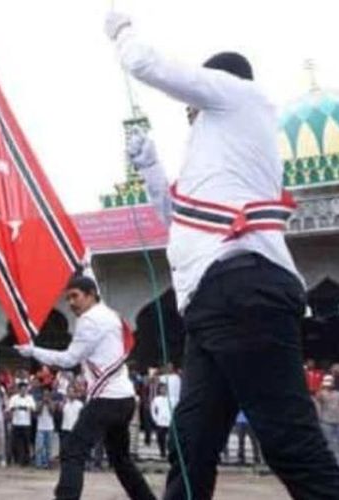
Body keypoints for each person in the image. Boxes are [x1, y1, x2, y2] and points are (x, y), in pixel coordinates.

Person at [109, 9, 339, 499]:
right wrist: (150, 163)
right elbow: (178, 216)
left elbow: (150, 66)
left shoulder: (242, 99)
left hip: (243, 292)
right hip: (214, 307)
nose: (190, 110)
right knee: (190, 444)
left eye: (195, 101)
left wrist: (122, 30)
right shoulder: (216, 150)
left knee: (288, 443)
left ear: (215, 83)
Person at [16, 275, 155, 500]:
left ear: (91, 295)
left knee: (72, 452)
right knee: (120, 459)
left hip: (106, 400)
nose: (71, 302)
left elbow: (70, 359)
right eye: (68, 298)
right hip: (126, 399)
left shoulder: (89, 320)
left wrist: (34, 351)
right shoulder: (110, 314)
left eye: (75, 296)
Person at [7, 382, 36, 467]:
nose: (23, 391)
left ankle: (26, 461)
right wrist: (17, 408)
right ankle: (17, 459)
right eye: (22, 389)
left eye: (25, 389)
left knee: (26, 443)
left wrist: (24, 407)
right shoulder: (14, 398)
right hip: (16, 423)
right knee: (15, 443)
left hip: (26, 423)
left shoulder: (30, 398)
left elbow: (33, 408)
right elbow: (10, 408)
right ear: (18, 390)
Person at [316, 374, 339, 463]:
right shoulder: (322, 393)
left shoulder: (337, 394)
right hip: (326, 421)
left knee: (337, 443)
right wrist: (322, 386)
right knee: (328, 443)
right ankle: (331, 461)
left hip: (337, 421)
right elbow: (318, 397)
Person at [35, 386, 57, 469]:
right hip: (40, 428)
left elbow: (52, 412)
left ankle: (48, 464)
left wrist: (48, 403)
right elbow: (37, 412)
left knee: (48, 447)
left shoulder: (52, 403)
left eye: (47, 395)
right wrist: (42, 403)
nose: (46, 396)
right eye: (44, 395)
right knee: (39, 447)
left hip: (50, 428)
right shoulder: (39, 403)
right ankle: (39, 464)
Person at [150, 385, 171, 459]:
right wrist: (155, 419)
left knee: (170, 439)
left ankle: (170, 452)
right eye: (162, 389)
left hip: (169, 422)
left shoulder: (171, 399)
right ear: (159, 390)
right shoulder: (156, 399)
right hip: (160, 422)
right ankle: (162, 453)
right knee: (160, 438)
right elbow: (153, 410)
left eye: (165, 389)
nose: (163, 390)